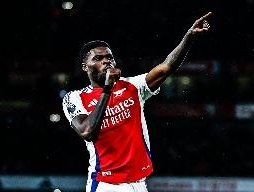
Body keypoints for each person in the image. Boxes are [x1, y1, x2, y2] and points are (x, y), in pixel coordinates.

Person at [62, 12, 212, 192]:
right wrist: (108, 88)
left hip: (139, 183)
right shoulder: (75, 98)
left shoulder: (132, 86)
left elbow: (166, 68)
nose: (106, 61)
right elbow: (87, 131)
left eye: (109, 57)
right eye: (98, 58)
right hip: (106, 184)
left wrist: (189, 37)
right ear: (85, 67)